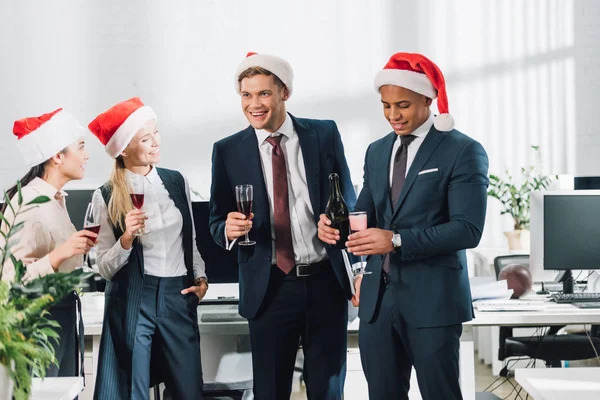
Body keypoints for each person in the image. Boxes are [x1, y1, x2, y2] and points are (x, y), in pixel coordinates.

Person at [319, 52, 489, 399]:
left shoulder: (462, 150)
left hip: (433, 302)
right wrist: (333, 229)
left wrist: (395, 241)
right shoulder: (377, 151)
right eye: (386, 106)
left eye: (403, 105)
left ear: (428, 99)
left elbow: (467, 229)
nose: (393, 115)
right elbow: (363, 216)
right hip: (377, 302)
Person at [209, 52, 356, 399]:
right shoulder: (227, 151)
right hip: (269, 288)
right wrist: (226, 229)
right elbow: (216, 221)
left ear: (284, 93)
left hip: (325, 283)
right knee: (271, 392)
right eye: (246, 95)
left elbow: (347, 200)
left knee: (328, 391)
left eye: (263, 94)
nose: (253, 104)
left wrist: (336, 223)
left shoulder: (323, 134)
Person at [88, 97, 207, 400]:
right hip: (132, 299)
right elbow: (100, 265)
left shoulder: (176, 181)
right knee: (132, 391)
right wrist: (126, 239)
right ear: (124, 149)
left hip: (177, 296)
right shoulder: (105, 196)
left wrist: (201, 279)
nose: (156, 143)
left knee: (189, 390)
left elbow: (189, 241)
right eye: (145, 138)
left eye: (156, 132)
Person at [1, 108, 96, 378]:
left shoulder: (55, 199)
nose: (87, 155)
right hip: (38, 322)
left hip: (61, 315)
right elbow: (11, 281)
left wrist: (75, 251)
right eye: (80, 147)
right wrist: (60, 254)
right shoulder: (28, 203)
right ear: (57, 156)